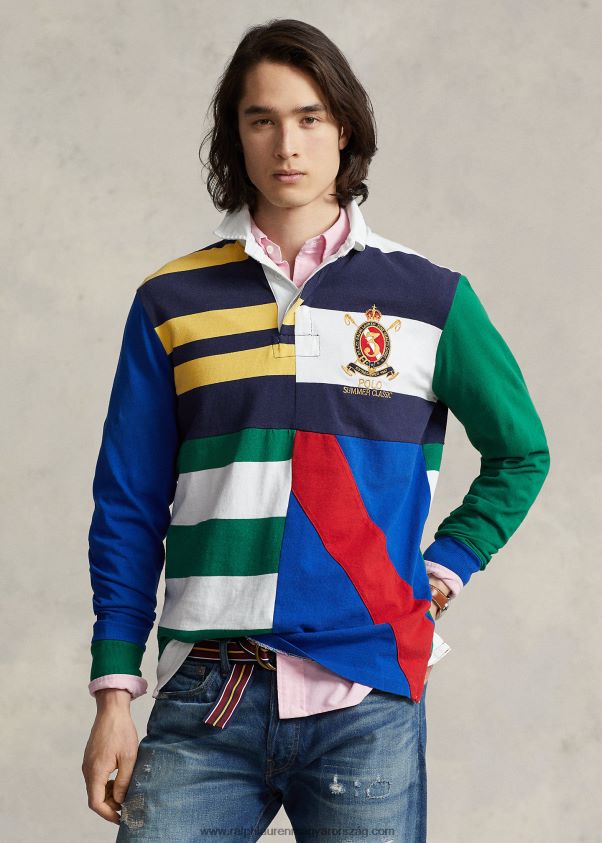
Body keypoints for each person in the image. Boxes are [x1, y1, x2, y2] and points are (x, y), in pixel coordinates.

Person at [81, 18, 550, 842]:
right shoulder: (170, 301)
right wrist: (115, 693)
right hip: (206, 693)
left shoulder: (430, 298)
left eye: (309, 117)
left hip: (366, 696)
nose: (286, 144)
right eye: (261, 119)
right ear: (236, 135)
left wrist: (444, 569)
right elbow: (128, 503)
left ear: (345, 130)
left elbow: (522, 451)